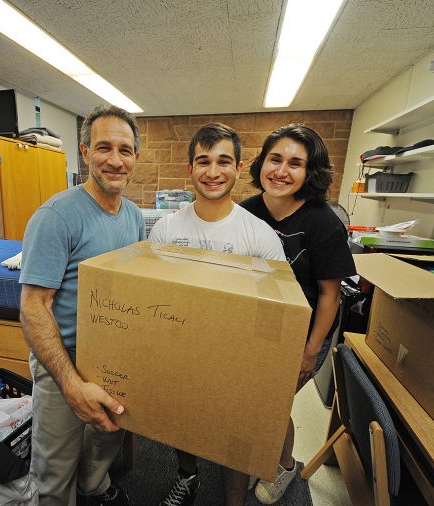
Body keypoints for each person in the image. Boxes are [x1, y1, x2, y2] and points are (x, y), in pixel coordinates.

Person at [149, 123, 285, 506]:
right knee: (182, 419)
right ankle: (188, 475)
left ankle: (234, 501)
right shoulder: (166, 229)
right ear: (190, 168)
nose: (212, 172)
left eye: (223, 161)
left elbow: (277, 308)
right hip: (180, 348)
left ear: (239, 168)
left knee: (235, 435)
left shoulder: (259, 236)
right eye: (203, 161)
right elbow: (154, 294)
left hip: (238, 354)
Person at [19, 104, 146, 506]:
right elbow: (34, 307)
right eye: (103, 147)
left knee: (108, 434)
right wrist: (71, 384)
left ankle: (94, 487)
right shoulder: (56, 216)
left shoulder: (134, 217)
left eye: (124, 150)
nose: (114, 159)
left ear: (135, 158)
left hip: (113, 356)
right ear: (86, 152)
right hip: (63, 358)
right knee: (55, 471)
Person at [240, 124, 356, 504]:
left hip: (304, 336)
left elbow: (329, 295)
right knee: (249, 401)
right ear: (262, 164)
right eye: (275, 159)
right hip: (256, 329)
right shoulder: (246, 212)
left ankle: (285, 466)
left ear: (310, 173)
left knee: (269, 407)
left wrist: (309, 352)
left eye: (296, 163)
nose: (281, 170)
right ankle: (256, 456)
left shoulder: (322, 222)